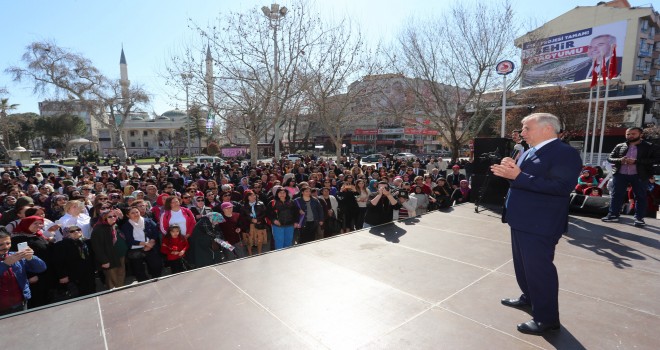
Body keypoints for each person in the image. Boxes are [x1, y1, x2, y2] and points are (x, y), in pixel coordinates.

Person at [491, 113, 582, 335]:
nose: (522, 133)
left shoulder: (566, 153)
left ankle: (547, 319)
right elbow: (521, 180)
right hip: (520, 218)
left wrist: (519, 175)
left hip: (541, 223)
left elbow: (561, 188)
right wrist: (509, 171)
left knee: (539, 271)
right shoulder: (530, 151)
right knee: (523, 266)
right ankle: (530, 298)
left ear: (547, 129)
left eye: (526, 128)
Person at [601, 127, 660, 226]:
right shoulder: (620, 146)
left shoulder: (650, 146)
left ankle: (639, 218)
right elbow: (610, 158)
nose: (630, 136)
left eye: (633, 134)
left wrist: (636, 161)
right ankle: (613, 215)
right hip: (620, 174)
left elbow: (657, 159)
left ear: (640, 135)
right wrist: (620, 160)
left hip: (639, 175)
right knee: (616, 195)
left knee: (640, 196)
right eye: (628, 134)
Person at [0, 230, 47, 316]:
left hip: (20, 302)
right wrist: (5, 264)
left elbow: (41, 268)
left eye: (8, 243)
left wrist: (31, 258)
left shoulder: (15, 255)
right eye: (1, 245)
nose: (5, 247)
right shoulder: (12, 258)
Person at [52, 225, 96, 297]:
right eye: (72, 231)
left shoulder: (86, 241)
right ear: (67, 233)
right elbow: (58, 262)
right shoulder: (61, 245)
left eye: (78, 230)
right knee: (79, 295)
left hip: (88, 273)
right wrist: (62, 275)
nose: (76, 232)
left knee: (92, 292)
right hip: (73, 276)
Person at [91, 210, 128, 289]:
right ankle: (114, 293)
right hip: (109, 258)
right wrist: (104, 261)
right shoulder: (98, 229)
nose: (113, 218)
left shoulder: (114, 226)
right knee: (112, 277)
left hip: (119, 254)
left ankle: (120, 290)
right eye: (110, 216)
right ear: (104, 218)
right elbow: (97, 247)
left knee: (121, 274)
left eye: (114, 216)